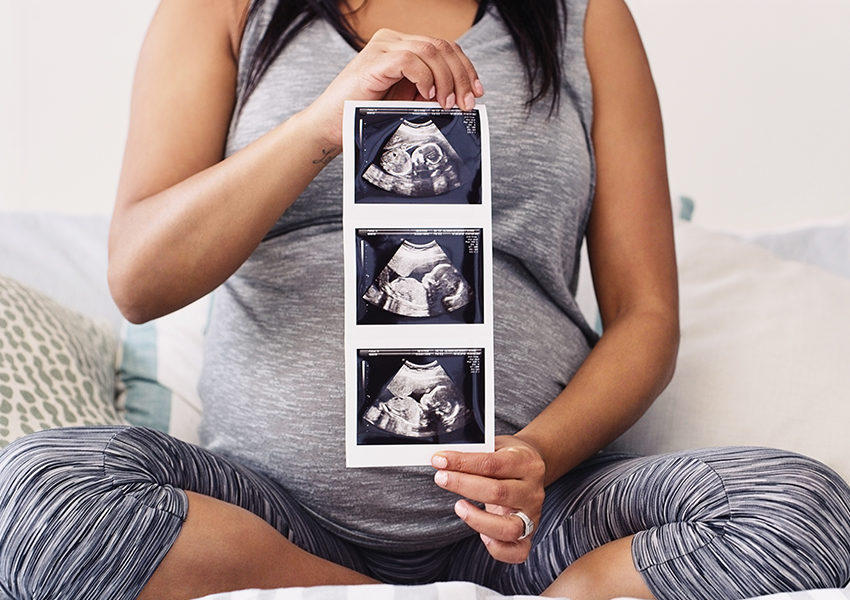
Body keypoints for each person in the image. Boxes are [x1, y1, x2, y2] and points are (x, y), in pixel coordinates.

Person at [2, 0, 850, 599]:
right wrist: (320, 126)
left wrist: (539, 457)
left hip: (526, 525)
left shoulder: (584, 16)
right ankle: (360, 595)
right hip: (272, 518)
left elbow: (646, 320)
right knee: (40, 496)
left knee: (800, 509)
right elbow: (139, 278)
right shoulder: (229, 8)